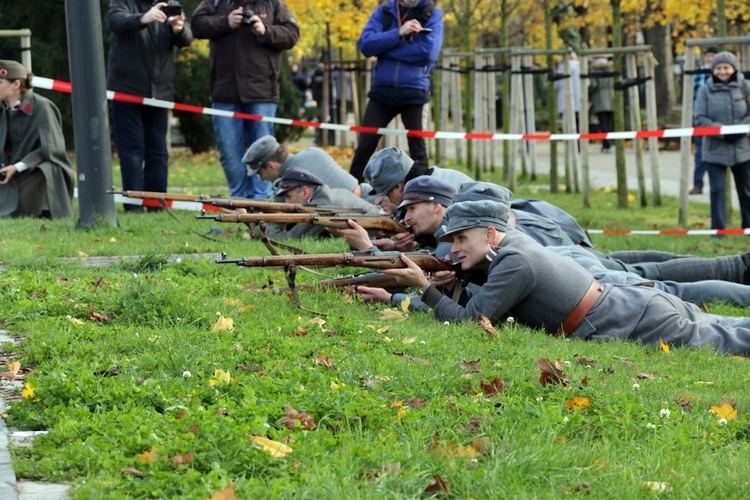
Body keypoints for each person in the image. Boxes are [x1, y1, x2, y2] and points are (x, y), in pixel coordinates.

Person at [384, 199, 750, 356]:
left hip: (633, 320)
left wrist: (424, 287)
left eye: (462, 238)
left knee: (733, 342)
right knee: (731, 326)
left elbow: (469, 320)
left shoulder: (515, 262)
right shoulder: (513, 249)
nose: (455, 249)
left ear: (491, 235)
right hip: (634, 308)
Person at [190, 0, 300, 200]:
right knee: (228, 149)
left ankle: (260, 200)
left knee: (266, 152)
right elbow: (196, 25)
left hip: (262, 92)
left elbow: (292, 34)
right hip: (224, 92)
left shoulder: (273, 4)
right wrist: (226, 22)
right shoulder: (217, 3)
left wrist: (265, 31)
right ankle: (238, 199)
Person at [105, 0, 193, 213]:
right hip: (127, 90)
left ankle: (156, 204)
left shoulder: (170, 3)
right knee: (132, 150)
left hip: (160, 92)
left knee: (158, 151)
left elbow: (187, 37)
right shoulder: (124, 2)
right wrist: (143, 18)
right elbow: (115, 21)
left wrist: (179, 29)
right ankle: (133, 204)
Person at [348, 0, 443, 182]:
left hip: (414, 91)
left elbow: (428, 53)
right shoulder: (384, 11)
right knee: (364, 146)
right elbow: (366, 45)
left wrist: (385, 49)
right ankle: (352, 190)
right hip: (382, 91)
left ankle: (422, 193)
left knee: (418, 150)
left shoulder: (432, 13)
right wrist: (398, 34)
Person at [0, 60, 74, 219]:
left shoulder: (43, 107)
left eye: (0, 82)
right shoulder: (2, 108)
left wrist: (18, 167)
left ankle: (39, 210)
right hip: (5, 170)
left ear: (16, 84)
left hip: (31, 171)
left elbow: (52, 148)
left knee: (46, 169)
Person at [694, 51, 750, 230]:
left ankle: (748, 227)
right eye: (718, 68)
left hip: (742, 148)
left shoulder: (745, 86)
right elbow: (699, 118)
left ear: (734, 68)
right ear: (713, 70)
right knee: (717, 192)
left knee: (746, 191)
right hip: (714, 149)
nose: (723, 71)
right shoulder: (705, 90)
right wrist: (723, 132)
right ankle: (718, 230)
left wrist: (740, 130)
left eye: (726, 67)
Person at [267, 167, 381, 240]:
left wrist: (263, 225)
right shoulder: (328, 195)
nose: (286, 203)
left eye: (288, 196)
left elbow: (290, 239)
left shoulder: (321, 207)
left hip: (382, 233)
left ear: (305, 191)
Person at [242, 135, 361, 198]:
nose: (262, 179)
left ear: (271, 166)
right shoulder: (313, 152)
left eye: (260, 173)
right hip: (366, 195)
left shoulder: (290, 182)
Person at [363, 147, 471, 214]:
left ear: (399, 185)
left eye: (386, 193)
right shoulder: (422, 190)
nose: (377, 202)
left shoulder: (444, 192)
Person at [690, 46, 717, 195]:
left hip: (716, 120)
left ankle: (718, 186)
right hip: (699, 119)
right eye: (707, 56)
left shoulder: (721, 74)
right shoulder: (697, 74)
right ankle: (698, 184)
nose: (709, 58)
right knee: (700, 153)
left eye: (712, 56)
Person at [589, 57, 614, 153]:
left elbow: (593, 85)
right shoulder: (611, 70)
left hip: (600, 99)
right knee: (609, 122)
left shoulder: (595, 72)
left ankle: (606, 143)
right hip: (611, 99)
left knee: (603, 123)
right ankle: (609, 143)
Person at [554, 53, 582, 133]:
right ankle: (579, 144)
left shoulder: (561, 68)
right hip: (578, 101)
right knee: (578, 124)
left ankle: (569, 143)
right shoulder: (580, 67)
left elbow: (556, 85)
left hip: (564, 101)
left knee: (567, 126)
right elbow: (587, 83)